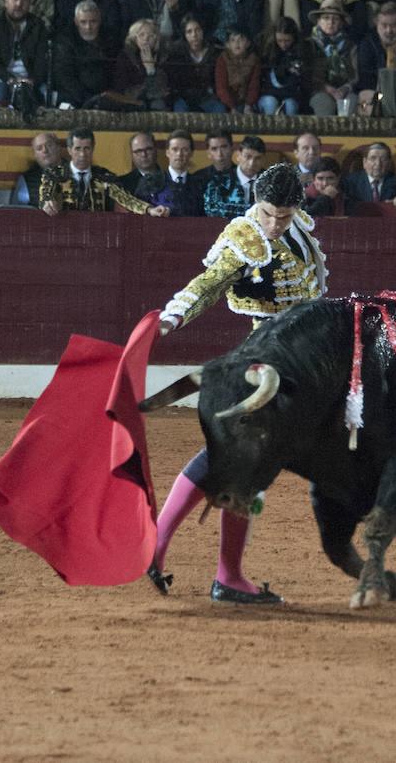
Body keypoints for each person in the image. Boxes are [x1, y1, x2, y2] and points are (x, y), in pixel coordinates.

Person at [150, 162, 326, 605]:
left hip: (302, 354)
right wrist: (174, 315)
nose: (272, 225)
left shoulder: (299, 225)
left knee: (247, 460)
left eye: (282, 217)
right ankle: (209, 567)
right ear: (255, 203)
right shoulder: (244, 238)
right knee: (242, 459)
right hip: (265, 357)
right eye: (266, 213)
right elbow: (210, 283)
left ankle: (184, 554)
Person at [39, 127, 169, 217]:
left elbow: (125, 198)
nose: (82, 154)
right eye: (78, 149)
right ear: (69, 150)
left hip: (95, 235)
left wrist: (149, 209)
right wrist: (47, 202)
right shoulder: (54, 174)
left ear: (93, 149)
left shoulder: (104, 176)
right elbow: (45, 194)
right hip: (65, 232)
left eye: (87, 148)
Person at [305, 0, 358, 116]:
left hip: (345, 91)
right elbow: (307, 76)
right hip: (319, 90)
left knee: (350, 105)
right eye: (326, 18)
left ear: (341, 23)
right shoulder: (309, 44)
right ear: (318, 21)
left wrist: (345, 88)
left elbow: (356, 75)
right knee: (325, 105)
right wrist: (328, 89)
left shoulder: (350, 46)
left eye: (336, 18)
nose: (331, 22)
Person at [138, 129, 202, 215]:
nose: (179, 154)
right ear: (167, 152)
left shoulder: (199, 185)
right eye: (175, 149)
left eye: (185, 149)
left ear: (191, 153)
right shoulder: (150, 182)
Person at [204, 134, 269, 217]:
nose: (251, 163)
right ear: (238, 156)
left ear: (263, 160)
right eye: (247, 157)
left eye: (257, 158)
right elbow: (211, 210)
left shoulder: (270, 182)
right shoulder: (219, 182)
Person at [256, 17, 307, 116]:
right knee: (270, 103)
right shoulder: (265, 49)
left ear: (294, 37)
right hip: (268, 94)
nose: (283, 44)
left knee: (290, 105)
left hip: (291, 95)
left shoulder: (301, 50)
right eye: (279, 40)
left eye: (287, 41)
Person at [339, 141, 396, 210]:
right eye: (373, 158)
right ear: (364, 162)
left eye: (383, 159)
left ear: (389, 163)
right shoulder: (349, 182)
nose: (378, 163)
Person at [12, 131, 59, 207]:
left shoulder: (74, 172)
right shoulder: (26, 179)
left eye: (49, 145)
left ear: (58, 148)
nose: (45, 150)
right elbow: (15, 212)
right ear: (35, 155)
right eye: (39, 148)